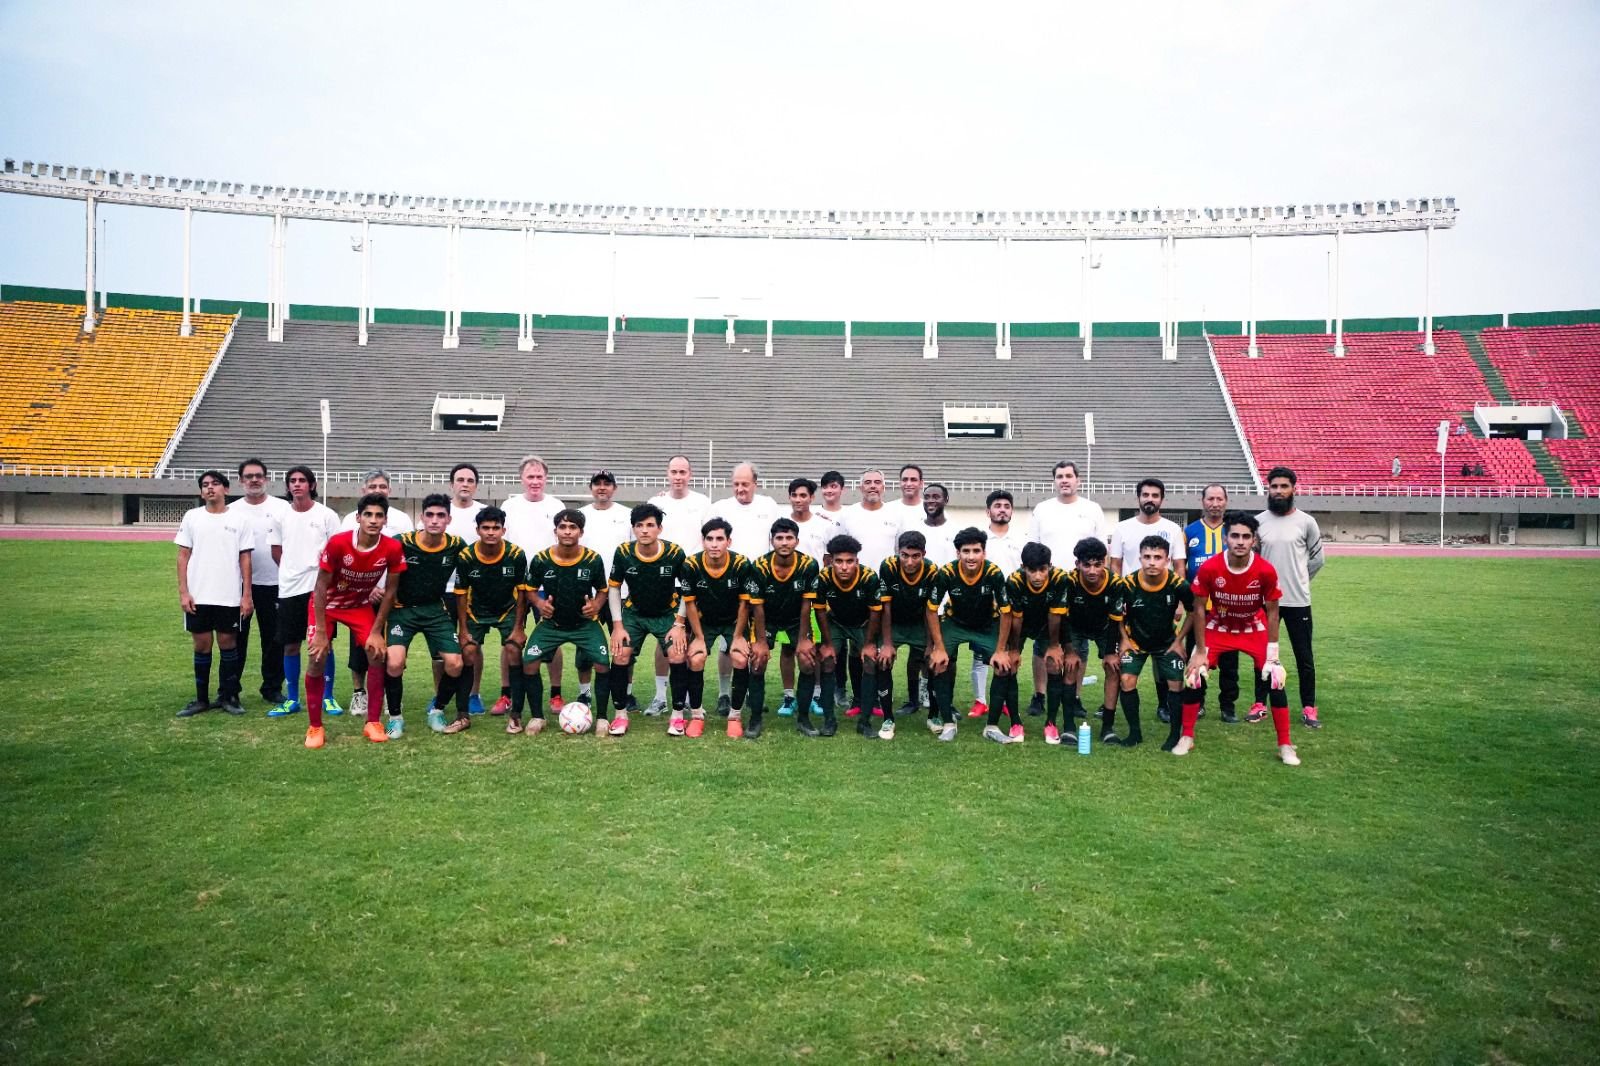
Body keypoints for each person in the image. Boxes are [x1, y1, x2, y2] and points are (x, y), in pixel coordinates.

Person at [1176, 511, 1302, 765]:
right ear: (1226, 539)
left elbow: (1274, 611)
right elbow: (1199, 608)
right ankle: (1186, 736)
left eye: (1246, 536)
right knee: (1193, 675)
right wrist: (1200, 650)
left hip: (1253, 627)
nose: (1240, 541)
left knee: (1276, 677)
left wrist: (1273, 651)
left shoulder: (1265, 570)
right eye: (1235, 536)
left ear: (1254, 540)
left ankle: (1285, 745)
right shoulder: (1211, 567)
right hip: (1218, 626)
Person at [303, 493, 405, 749]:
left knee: (376, 653)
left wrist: (377, 630)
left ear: (385, 520)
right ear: (358, 518)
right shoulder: (338, 543)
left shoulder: (392, 548)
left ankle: (373, 723)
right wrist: (322, 634)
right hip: (326, 606)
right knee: (317, 658)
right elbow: (320, 587)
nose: (373, 520)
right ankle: (315, 727)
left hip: (358, 606)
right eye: (368, 515)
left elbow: (391, 591)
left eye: (378, 515)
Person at [384, 494, 469, 738]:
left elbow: (471, 573)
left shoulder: (456, 545)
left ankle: (437, 709)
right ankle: (395, 717)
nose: (434, 520)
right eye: (429, 515)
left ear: (448, 519)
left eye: (440, 515)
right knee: (395, 662)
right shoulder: (402, 542)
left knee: (455, 664)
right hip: (402, 610)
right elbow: (380, 566)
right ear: (421, 517)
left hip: (435, 609)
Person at [522, 509, 613, 735]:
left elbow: (603, 590)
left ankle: (601, 717)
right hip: (553, 625)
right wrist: (539, 604)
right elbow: (530, 590)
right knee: (529, 662)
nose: (567, 531)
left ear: (581, 532)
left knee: (602, 664)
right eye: (563, 527)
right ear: (555, 531)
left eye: (573, 527)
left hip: (585, 624)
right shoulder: (542, 559)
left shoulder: (592, 559)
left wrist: (597, 605)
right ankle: (537, 717)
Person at [174, 470, 254, 717]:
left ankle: (228, 697)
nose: (210, 488)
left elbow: (245, 559)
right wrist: (184, 592)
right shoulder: (192, 517)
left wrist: (246, 595)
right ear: (201, 491)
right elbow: (183, 556)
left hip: (228, 595)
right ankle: (200, 700)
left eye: (215, 484)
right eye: (205, 485)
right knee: (202, 645)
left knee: (228, 643)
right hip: (199, 594)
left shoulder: (240, 520)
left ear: (226, 490)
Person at [607, 503, 689, 737]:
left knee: (677, 653)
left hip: (667, 613)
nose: (644, 530)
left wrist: (679, 624)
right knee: (620, 654)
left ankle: (677, 716)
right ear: (633, 529)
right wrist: (617, 625)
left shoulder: (674, 553)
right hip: (635, 613)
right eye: (639, 525)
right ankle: (620, 715)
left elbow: (687, 588)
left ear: (659, 529)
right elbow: (614, 588)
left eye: (650, 525)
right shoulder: (623, 552)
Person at [267, 466, 342, 718]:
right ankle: (292, 699)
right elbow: (276, 551)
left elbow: (337, 553)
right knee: (290, 645)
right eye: (292, 481)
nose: (297, 484)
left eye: (302, 480)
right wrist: (291, 570)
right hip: (289, 588)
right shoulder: (279, 516)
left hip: (319, 589)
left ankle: (327, 697)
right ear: (288, 486)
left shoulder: (327, 515)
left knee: (323, 644)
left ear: (312, 484)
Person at [1255, 466, 1326, 729]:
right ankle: (1259, 704)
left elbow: (1318, 558)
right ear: (1268, 489)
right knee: (1262, 655)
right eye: (1274, 487)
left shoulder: (1306, 522)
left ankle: (1309, 707)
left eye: (1284, 486)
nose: (1279, 491)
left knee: (1304, 656)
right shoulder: (1259, 521)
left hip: (1297, 601)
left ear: (1293, 489)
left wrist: (1300, 578)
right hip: (1266, 602)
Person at [339, 469, 414, 718]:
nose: (378, 490)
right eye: (373, 486)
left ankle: (389, 695)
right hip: (360, 594)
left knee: (393, 645)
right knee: (360, 648)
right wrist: (368, 588)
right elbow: (344, 558)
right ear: (364, 490)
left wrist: (390, 589)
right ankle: (359, 693)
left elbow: (406, 559)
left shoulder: (402, 519)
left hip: (392, 594)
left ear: (389, 490)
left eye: (382, 486)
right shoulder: (351, 518)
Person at [678, 517, 762, 738]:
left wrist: (738, 637)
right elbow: (690, 603)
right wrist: (697, 636)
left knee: (740, 658)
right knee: (695, 658)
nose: (714, 544)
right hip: (704, 621)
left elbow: (745, 604)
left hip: (734, 620)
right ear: (703, 541)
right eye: (709, 539)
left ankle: (734, 716)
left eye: (719, 539)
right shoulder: (691, 565)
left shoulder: (741, 564)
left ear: (729, 542)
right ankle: (696, 715)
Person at [450, 507, 530, 735]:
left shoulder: (515, 554)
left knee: (514, 650)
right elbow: (461, 593)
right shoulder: (466, 556)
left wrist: (519, 628)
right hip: (477, 611)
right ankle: (462, 715)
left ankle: (515, 716)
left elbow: (522, 592)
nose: (491, 532)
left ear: (503, 530)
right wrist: (462, 629)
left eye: (496, 528)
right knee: (468, 652)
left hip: (508, 609)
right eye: (486, 528)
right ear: (478, 530)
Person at [1116, 536, 1200, 753]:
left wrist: (1179, 640)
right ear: (1140, 558)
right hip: (1135, 642)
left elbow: (1195, 612)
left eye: (1157, 557)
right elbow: (1115, 615)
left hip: (1167, 643)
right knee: (1126, 680)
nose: (1152, 562)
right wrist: (1124, 639)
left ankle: (1174, 735)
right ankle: (1134, 733)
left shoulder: (1179, 584)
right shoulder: (1127, 584)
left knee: (1176, 684)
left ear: (1167, 560)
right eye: (1147, 557)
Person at [930, 527, 1011, 743]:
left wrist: (1002, 650)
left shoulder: (993, 573)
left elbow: (1006, 611)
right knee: (939, 663)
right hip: (955, 623)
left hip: (986, 625)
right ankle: (948, 723)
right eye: (966, 551)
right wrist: (938, 647)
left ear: (984, 552)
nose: (971, 556)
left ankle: (992, 726)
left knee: (1003, 666)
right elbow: (931, 609)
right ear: (958, 554)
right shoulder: (947, 572)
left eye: (976, 551)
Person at [502, 455, 567, 713]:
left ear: (546, 478)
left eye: (540, 476)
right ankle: (506, 693)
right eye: (530, 476)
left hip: (548, 582)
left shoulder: (556, 504)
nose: (535, 481)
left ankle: (556, 694)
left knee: (553, 636)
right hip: (516, 582)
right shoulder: (510, 505)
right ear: (522, 478)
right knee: (511, 637)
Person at [745, 518, 821, 740]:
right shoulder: (759, 566)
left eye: (789, 538)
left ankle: (804, 718)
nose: (784, 542)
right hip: (766, 619)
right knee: (757, 661)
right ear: (772, 541)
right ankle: (755, 718)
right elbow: (756, 607)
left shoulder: (809, 565)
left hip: (796, 618)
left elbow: (807, 605)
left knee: (807, 662)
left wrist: (805, 638)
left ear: (797, 541)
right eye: (779, 538)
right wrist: (760, 641)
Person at [651, 455, 712, 716]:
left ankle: (686, 695)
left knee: (687, 637)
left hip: (693, 580)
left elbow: (706, 537)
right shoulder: (657, 502)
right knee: (664, 636)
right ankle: (660, 695)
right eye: (674, 471)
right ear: (667, 474)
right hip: (663, 581)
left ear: (690, 474)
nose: (678, 476)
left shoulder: (702, 503)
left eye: (683, 472)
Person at [814, 533, 891, 739]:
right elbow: (820, 610)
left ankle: (864, 722)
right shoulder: (823, 578)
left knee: (868, 662)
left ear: (857, 560)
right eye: (839, 561)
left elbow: (876, 611)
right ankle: (829, 720)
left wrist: (869, 644)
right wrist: (827, 643)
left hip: (863, 624)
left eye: (850, 561)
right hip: (836, 623)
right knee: (828, 661)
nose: (844, 567)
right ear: (831, 561)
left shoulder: (868, 577)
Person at [228, 458, 290, 705]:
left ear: (266, 479)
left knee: (274, 639)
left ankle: (272, 687)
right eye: (249, 476)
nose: (254, 480)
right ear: (241, 481)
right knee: (236, 638)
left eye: (258, 476)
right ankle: (231, 688)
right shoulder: (232, 511)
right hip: (239, 585)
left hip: (275, 583)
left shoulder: (282, 508)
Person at [878, 530, 949, 723]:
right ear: (898, 552)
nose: (909, 562)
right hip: (894, 622)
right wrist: (887, 643)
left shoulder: (932, 571)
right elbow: (886, 606)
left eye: (915, 556)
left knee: (927, 660)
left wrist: (930, 644)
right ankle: (892, 709)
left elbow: (930, 609)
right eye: (905, 556)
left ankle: (931, 710)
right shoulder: (888, 566)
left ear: (923, 554)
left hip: (919, 622)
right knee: (883, 660)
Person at [1184, 484, 1241, 723]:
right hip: (1198, 609)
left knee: (1229, 661)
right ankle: (1197, 702)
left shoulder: (1234, 531)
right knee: (1197, 655)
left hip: (1228, 609)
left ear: (1226, 502)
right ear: (1202, 502)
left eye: (1219, 499)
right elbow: (1182, 566)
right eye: (1210, 499)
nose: (1215, 503)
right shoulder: (1189, 531)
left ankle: (1228, 706)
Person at [1004, 542, 1070, 743]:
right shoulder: (1014, 581)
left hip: (1048, 624)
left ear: (1049, 566)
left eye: (1042, 570)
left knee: (1053, 663)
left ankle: (1051, 724)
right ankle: (1015, 723)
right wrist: (1014, 650)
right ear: (1024, 567)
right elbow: (1016, 619)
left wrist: (1053, 646)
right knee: (1009, 665)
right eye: (1032, 570)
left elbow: (1056, 615)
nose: (1038, 576)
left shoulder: (1060, 579)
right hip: (1021, 625)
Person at [1063, 537, 1126, 745]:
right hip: (1076, 627)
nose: (1092, 570)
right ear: (1077, 564)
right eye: (1087, 565)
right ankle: (1069, 727)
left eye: (1097, 565)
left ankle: (1107, 727)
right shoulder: (1069, 582)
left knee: (1113, 667)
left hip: (1105, 629)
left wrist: (1110, 653)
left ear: (1104, 563)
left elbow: (1116, 620)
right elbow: (1062, 618)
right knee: (1070, 666)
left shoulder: (1115, 584)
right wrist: (1070, 651)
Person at [581, 469, 633, 709]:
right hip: (587, 592)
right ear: (591, 487)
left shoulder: (627, 515)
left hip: (620, 591)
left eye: (607, 483)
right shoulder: (580, 515)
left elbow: (634, 552)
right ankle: (585, 692)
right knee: (586, 643)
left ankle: (627, 692)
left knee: (624, 643)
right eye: (597, 483)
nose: (602, 487)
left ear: (615, 487)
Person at [1028, 461, 1111, 569]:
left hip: (1083, 580)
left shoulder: (1093, 509)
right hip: (1049, 580)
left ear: (1078, 481)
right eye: (1059, 477)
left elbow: (1102, 551)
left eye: (1069, 476)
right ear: (1054, 482)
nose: (1064, 480)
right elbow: (1032, 547)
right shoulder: (1041, 509)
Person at [1108, 478, 1187, 578]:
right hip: (1130, 591)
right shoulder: (1121, 528)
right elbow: (1115, 564)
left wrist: (1179, 591)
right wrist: (1118, 591)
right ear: (1138, 498)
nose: (1150, 499)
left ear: (1161, 500)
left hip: (1163, 591)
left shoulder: (1174, 529)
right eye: (1145, 495)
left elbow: (1179, 566)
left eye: (1155, 496)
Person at [840, 468, 900, 573]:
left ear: (883, 487)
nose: (873, 486)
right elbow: (838, 552)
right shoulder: (847, 515)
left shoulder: (896, 515)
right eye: (868, 482)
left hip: (886, 579)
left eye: (877, 482)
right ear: (861, 488)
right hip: (856, 580)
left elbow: (900, 551)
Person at [446, 462, 486, 541]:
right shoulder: (438, 512)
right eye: (460, 480)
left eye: (470, 481)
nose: (465, 484)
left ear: (476, 486)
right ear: (451, 485)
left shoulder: (486, 512)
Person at [880, 464, 925, 528]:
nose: (908, 484)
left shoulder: (931, 510)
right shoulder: (887, 509)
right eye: (905, 480)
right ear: (900, 482)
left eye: (913, 480)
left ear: (921, 483)